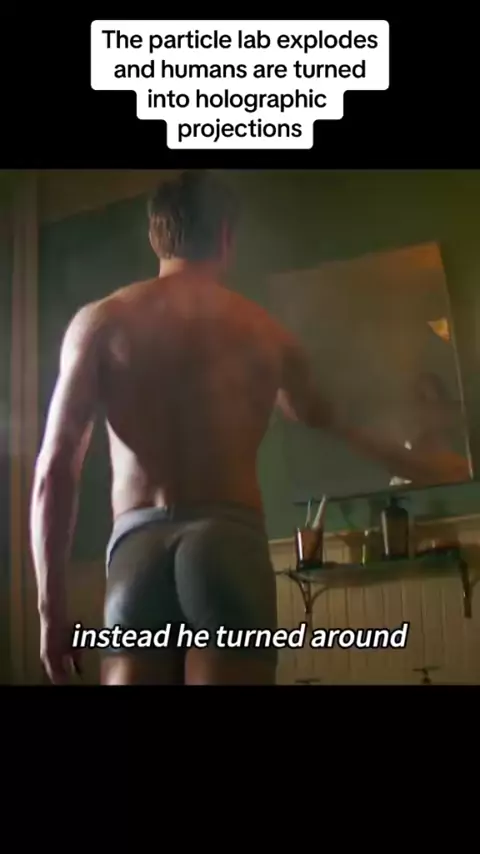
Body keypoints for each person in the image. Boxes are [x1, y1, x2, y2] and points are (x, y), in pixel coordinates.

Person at [30, 170, 455, 687]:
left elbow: (54, 471)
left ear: (154, 234)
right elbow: (330, 421)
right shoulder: (266, 334)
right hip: (226, 542)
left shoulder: (99, 322)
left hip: (135, 548)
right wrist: (421, 463)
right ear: (226, 235)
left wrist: (50, 612)